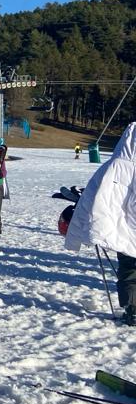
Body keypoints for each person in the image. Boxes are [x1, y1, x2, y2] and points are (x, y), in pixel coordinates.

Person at [64, 122, 136, 326]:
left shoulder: (111, 167)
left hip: (121, 230)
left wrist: (83, 229)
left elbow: (90, 198)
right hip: (124, 227)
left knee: (129, 268)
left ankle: (132, 309)